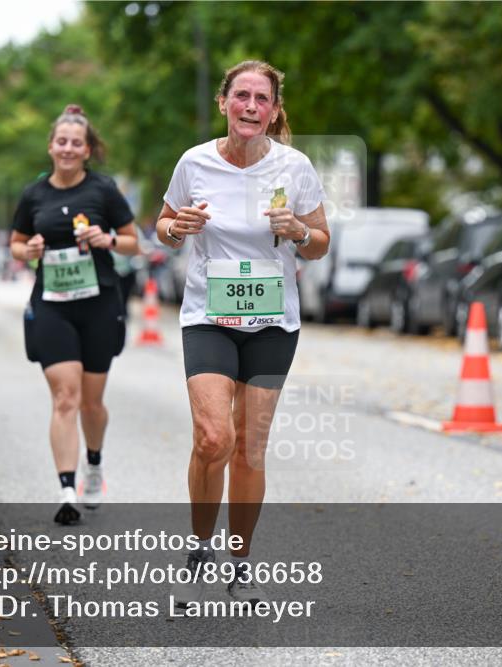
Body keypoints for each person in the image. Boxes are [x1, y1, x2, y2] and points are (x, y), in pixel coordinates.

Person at [155, 60, 330, 606]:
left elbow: (321, 240)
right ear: (224, 103)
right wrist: (175, 227)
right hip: (209, 314)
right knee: (214, 437)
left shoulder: (295, 167)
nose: (251, 106)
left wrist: (300, 230)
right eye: (242, 96)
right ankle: (198, 549)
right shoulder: (195, 162)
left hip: (272, 322)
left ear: (274, 111)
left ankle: (241, 561)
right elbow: (162, 227)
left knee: (250, 448)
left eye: (262, 99)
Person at [9, 104, 139, 525]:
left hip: (99, 303)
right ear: (51, 147)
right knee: (65, 396)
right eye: (60, 141)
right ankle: (67, 489)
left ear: (87, 150)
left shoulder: (103, 191)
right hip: (52, 304)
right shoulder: (34, 194)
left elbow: (135, 243)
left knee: (92, 402)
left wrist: (107, 238)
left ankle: (94, 463)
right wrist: (25, 251)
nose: (67, 148)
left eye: (75, 143)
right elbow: (16, 242)